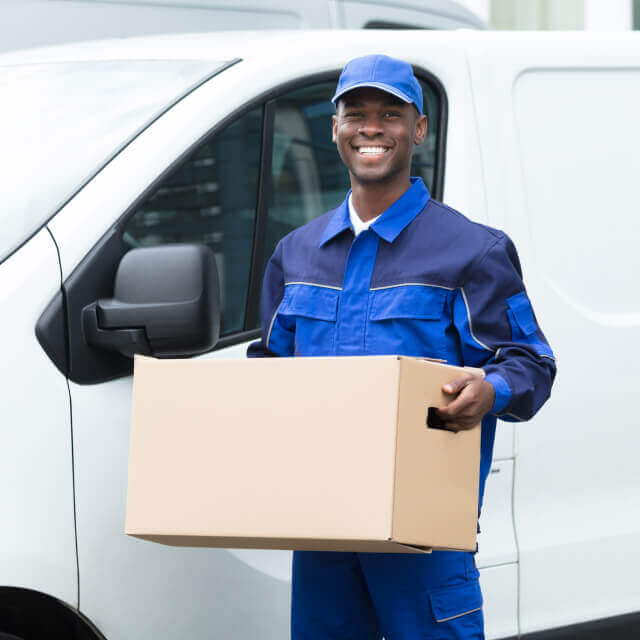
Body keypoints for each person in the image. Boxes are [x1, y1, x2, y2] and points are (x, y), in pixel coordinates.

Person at [248, 54, 556, 640]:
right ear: (334, 128)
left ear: (418, 130)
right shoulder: (296, 254)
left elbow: (532, 364)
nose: (371, 127)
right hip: (322, 528)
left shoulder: (472, 251)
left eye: (391, 113)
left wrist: (490, 388)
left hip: (424, 534)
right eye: (355, 113)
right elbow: (268, 372)